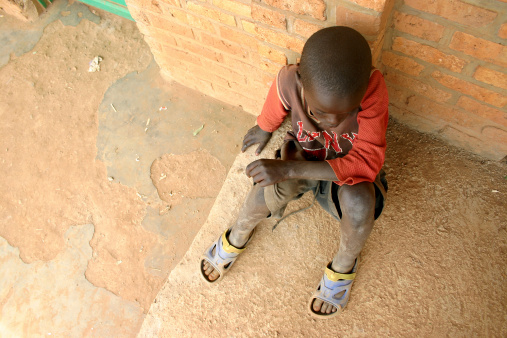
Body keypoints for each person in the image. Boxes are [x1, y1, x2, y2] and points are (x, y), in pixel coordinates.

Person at [200, 26, 389, 319]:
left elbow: (365, 164)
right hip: (303, 153)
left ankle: (344, 263)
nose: (331, 123)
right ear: (302, 82)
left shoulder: (374, 90)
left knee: (361, 201)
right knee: (264, 186)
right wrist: (265, 126)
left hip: (344, 172)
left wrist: (287, 169)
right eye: (319, 113)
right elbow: (279, 97)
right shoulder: (292, 79)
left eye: (346, 113)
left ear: (365, 86)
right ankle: (238, 233)